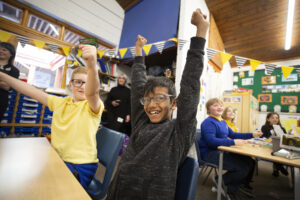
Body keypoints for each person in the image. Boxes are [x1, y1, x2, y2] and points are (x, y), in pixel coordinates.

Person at [106, 8, 209, 200]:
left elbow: (190, 85)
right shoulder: (140, 122)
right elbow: (137, 84)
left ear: (174, 103)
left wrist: (200, 33)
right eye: (149, 99)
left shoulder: (179, 131)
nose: (152, 104)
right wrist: (138, 52)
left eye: (161, 98)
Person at [0, 44, 104, 191]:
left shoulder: (93, 105)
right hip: (57, 157)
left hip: (80, 164)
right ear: (71, 84)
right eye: (78, 82)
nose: (83, 86)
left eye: (87, 83)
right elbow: (31, 91)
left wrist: (93, 67)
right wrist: (3, 75)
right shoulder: (61, 102)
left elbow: (92, 93)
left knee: (48, 188)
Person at [198, 98, 262, 199]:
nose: (219, 107)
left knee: (249, 162)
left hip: (223, 150)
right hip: (211, 154)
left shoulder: (222, 122)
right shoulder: (208, 122)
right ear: (208, 110)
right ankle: (224, 184)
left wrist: (252, 134)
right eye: (215, 105)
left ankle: (232, 185)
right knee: (242, 168)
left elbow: (234, 134)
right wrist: (233, 142)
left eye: (220, 105)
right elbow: (212, 141)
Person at [261, 112, 288, 177]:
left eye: (277, 118)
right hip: (267, 147)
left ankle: (277, 168)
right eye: (272, 118)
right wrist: (270, 137)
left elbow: (285, 139)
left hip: (279, 147)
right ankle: (279, 167)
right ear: (268, 119)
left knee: (277, 150)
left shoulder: (282, 128)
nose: (275, 119)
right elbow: (262, 139)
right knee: (274, 151)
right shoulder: (264, 127)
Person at [0, 42, 20, 121]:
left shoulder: (14, 71)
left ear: (11, 54)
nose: (1, 51)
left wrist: (5, 83)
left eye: (4, 50)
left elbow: (7, 86)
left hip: (1, 101)